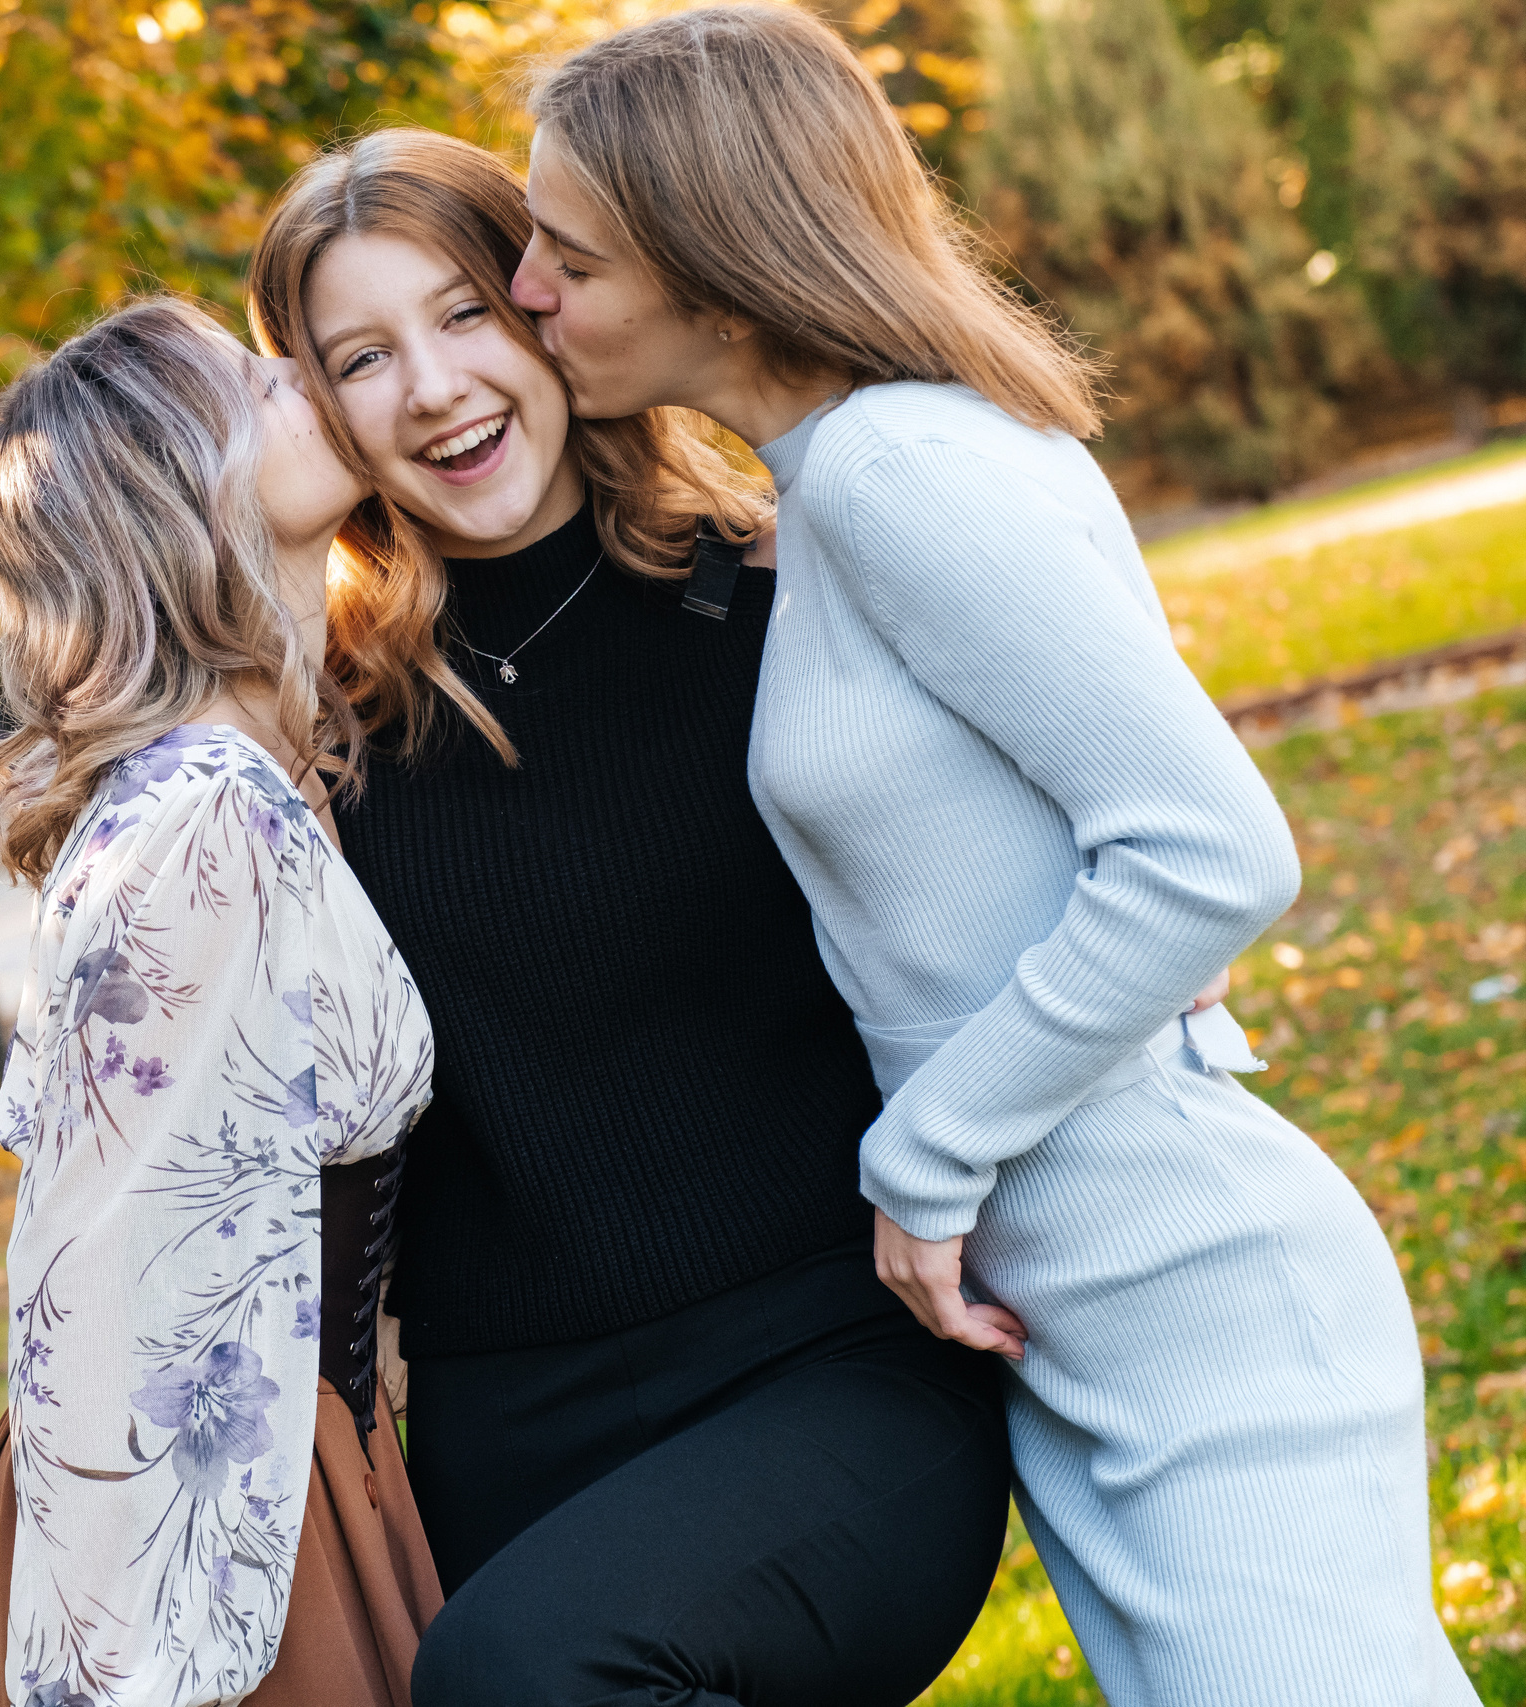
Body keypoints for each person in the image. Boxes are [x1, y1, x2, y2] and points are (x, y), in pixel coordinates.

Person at [513, 10, 1477, 1704]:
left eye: (569, 259)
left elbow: (1211, 853)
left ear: (720, 273)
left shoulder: (901, 471)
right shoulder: (841, 483)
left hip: (1186, 1282)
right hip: (1083, 1302)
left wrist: (924, 1162)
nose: (526, 291)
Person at [245, 128, 1017, 1707]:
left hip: (835, 1366)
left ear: (552, 305)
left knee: (527, 1672)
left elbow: (1079, 865)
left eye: (465, 313)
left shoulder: (787, 599)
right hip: (502, 1427)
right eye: (361, 359)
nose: (434, 390)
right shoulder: (313, 735)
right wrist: (272, 548)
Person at [0, 296, 443, 1707]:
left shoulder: (265, 770)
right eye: (251, 381)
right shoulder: (200, 816)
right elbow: (100, 1272)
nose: (302, 372)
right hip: (193, 1518)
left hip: (302, 1457)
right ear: (182, 487)